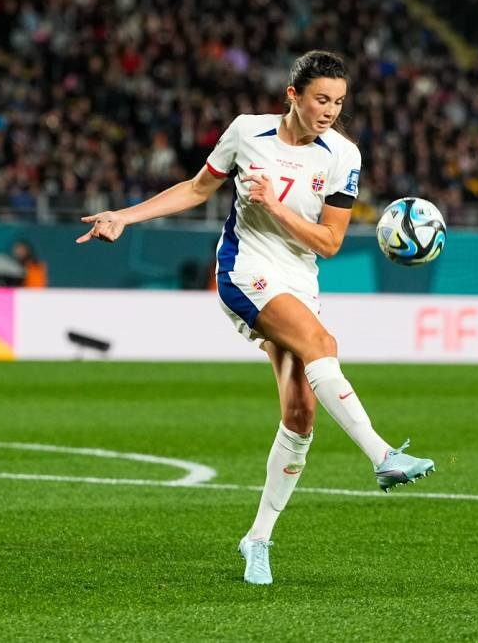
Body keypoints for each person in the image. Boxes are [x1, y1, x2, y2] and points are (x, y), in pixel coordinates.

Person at [76, 51, 434, 585]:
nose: (330, 111)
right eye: (320, 99)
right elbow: (198, 188)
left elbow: (330, 243)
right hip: (244, 271)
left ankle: (258, 539)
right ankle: (381, 453)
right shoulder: (247, 133)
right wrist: (123, 216)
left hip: (300, 280)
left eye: (338, 102)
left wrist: (276, 206)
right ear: (293, 95)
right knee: (320, 342)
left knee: (301, 416)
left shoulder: (343, 155)